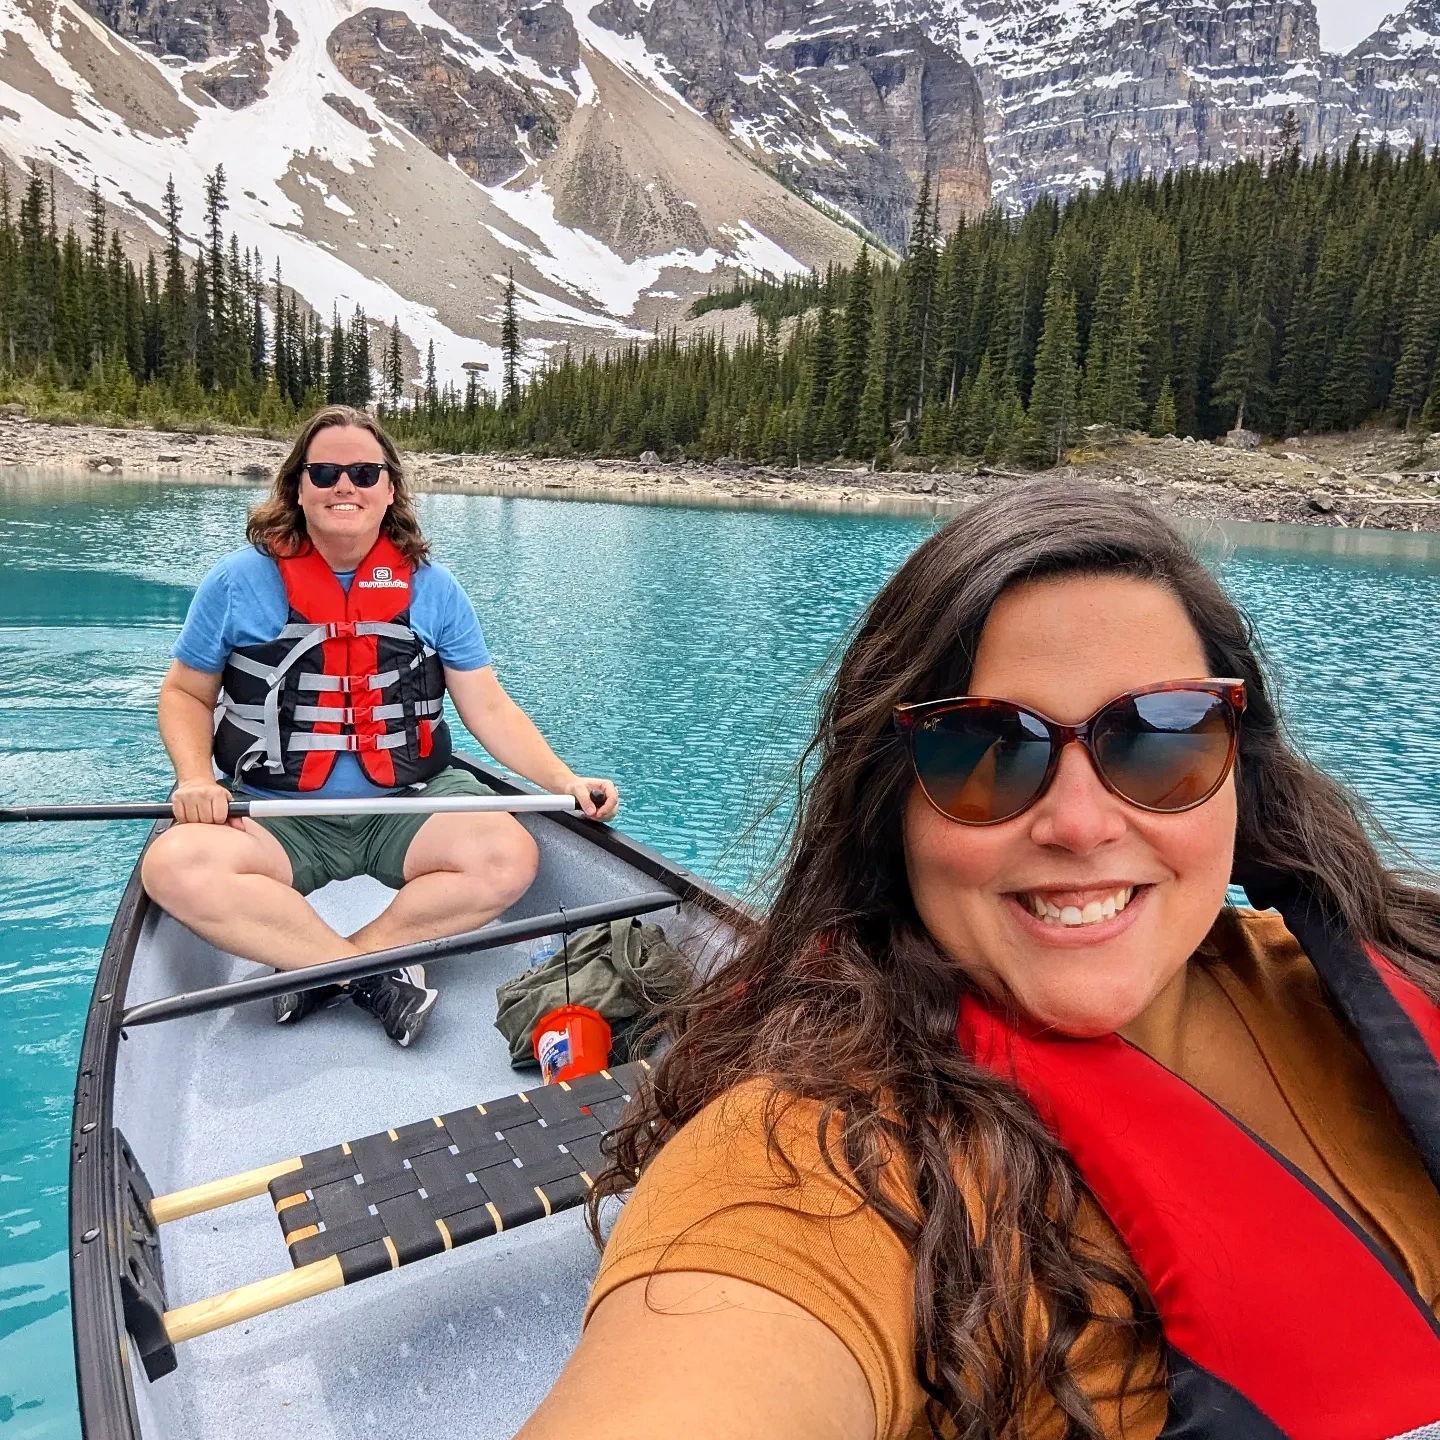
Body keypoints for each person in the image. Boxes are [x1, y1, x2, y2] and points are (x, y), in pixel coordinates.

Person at [519, 481, 1440, 1439]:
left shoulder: (1398, 972)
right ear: (891, 806)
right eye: (985, 749)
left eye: (1163, 737)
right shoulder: (816, 1158)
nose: (1082, 825)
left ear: (1240, 767)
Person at [141, 405, 618, 1047]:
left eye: (364, 472)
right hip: (278, 817)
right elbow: (184, 694)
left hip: (405, 804)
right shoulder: (235, 583)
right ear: (298, 487)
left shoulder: (434, 589)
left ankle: (328, 965)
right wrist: (195, 776)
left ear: (389, 490)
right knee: (174, 867)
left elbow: (489, 707)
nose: (346, 485)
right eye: (327, 471)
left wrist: (564, 779)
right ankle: (373, 977)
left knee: (508, 856)